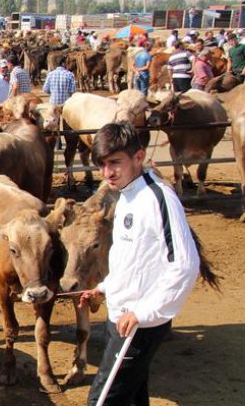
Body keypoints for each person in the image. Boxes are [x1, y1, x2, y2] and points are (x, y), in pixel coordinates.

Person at [81, 122, 200, 406]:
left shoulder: (158, 198)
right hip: (122, 315)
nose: (107, 172)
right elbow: (131, 255)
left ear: (139, 157)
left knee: (102, 401)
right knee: (133, 397)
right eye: (101, 164)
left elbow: (185, 264)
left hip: (139, 322)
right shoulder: (125, 195)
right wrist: (105, 287)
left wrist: (143, 313)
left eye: (115, 162)